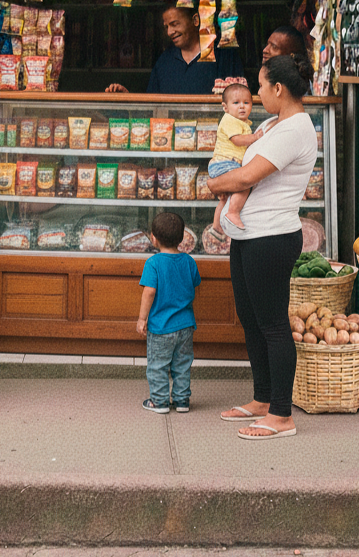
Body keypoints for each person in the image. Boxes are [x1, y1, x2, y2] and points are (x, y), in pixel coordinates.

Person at [208, 54, 317, 439]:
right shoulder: (273, 123)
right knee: (251, 320)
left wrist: (214, 185)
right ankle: (262, 398)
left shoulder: (295, 130)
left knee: (272, 324)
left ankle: (282, 415)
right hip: (248, 236)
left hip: (271, 237)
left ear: (278, 89)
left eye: (260, 86)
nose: (255, 93)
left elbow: (248, 175)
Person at [136, 212, 201, 414]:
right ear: (182, 238)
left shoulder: (153, 263)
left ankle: (160, 401)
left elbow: (149, 292)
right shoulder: (189, 261)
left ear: (153, 238)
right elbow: (194, 286)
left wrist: (142, 318)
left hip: (161, 326)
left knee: (158, 365)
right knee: (182, 364)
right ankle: (182, 401)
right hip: (186, 325)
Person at [106, 5, 243, 94]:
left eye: (175, 24)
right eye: (166, 27)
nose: (170, 32)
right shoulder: (165, 61)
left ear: (195, 20)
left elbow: (240, 100)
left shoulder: (223, 54)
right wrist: (128, 99)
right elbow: (152, 105)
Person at [209, 82, 265, 232]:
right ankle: (233, 212)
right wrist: (255, 138)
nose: (242, 106)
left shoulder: (242, 122)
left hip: (225, 164)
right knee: (244, 185)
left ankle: (216, 226)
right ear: (225, 107)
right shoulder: (229, 120)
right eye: (236, 103)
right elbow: (237, 140)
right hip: (225, 163)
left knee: (225, 198)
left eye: (246, 103)